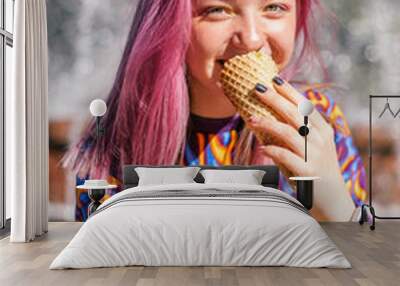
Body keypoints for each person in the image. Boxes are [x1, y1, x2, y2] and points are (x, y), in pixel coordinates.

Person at [65, 0, 367, 221]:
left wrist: (335, 205)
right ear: (169, 23)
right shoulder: (114, 139)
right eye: (217, 10)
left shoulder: (316, 119)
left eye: (274, 7)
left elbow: (362, 260)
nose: (250, 38)